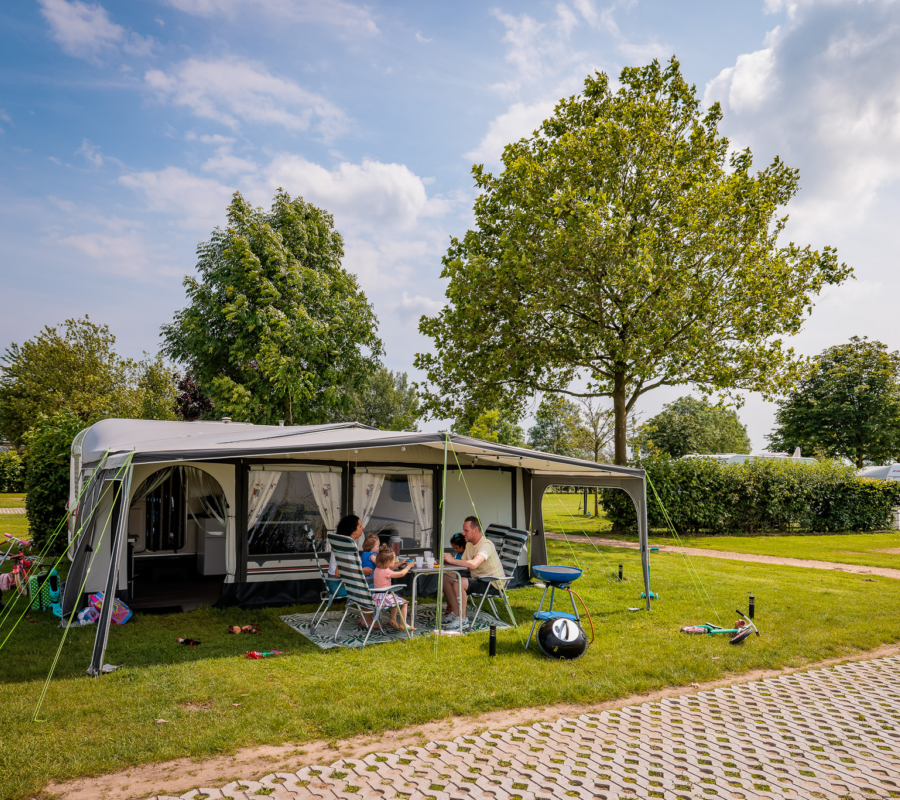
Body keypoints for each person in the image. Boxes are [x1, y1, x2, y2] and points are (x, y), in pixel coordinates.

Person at [441, 516, 503, 629]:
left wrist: (452, 560)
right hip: (477, 577)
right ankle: (456, 614)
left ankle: (463, 620)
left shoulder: (486, 545)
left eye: (466, 531)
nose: (463, 533)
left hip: (491, 583)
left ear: (475, 530)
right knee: (447, 577)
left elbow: (474, 564)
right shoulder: (469, 544)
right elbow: (462, 562)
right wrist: (445, 562)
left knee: (459, 582)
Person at [372, 549, 415, 632]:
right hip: (385, 598)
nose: (394, 561)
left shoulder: (377, 569)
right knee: (404, 603)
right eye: (394, 560)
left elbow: (391, 568)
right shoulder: (386, 571)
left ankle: (393, 620)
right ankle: (403, 624)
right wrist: (408, 566)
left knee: (395, 599)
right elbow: (401, 574)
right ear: (388, 562)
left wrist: (400, 563)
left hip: (377, 597)